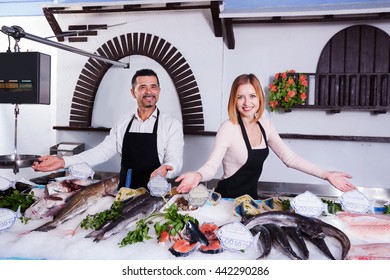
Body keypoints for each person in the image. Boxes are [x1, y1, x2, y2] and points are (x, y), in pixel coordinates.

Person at [175, 73, 356, 198]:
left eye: (252, 96)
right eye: (240, 97)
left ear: (259, 98)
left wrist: (326, 174)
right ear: (234, 100)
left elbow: (289, 157)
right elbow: (211, 167)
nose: (247, 103)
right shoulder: (228, 128)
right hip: (226, 200)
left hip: (250, 200)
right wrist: (198, 175)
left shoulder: (266, 125)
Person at [32, 69, 184, 189]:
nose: (149, 92)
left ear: (159, 91)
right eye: (142, 87)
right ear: (133, 92)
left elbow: (175, 159)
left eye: (153, 87)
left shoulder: (171, 125)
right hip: (125, 193)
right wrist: (62, 161)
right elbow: (100, 152)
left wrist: (165, 169)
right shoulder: (123, 124)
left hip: (156, 195)